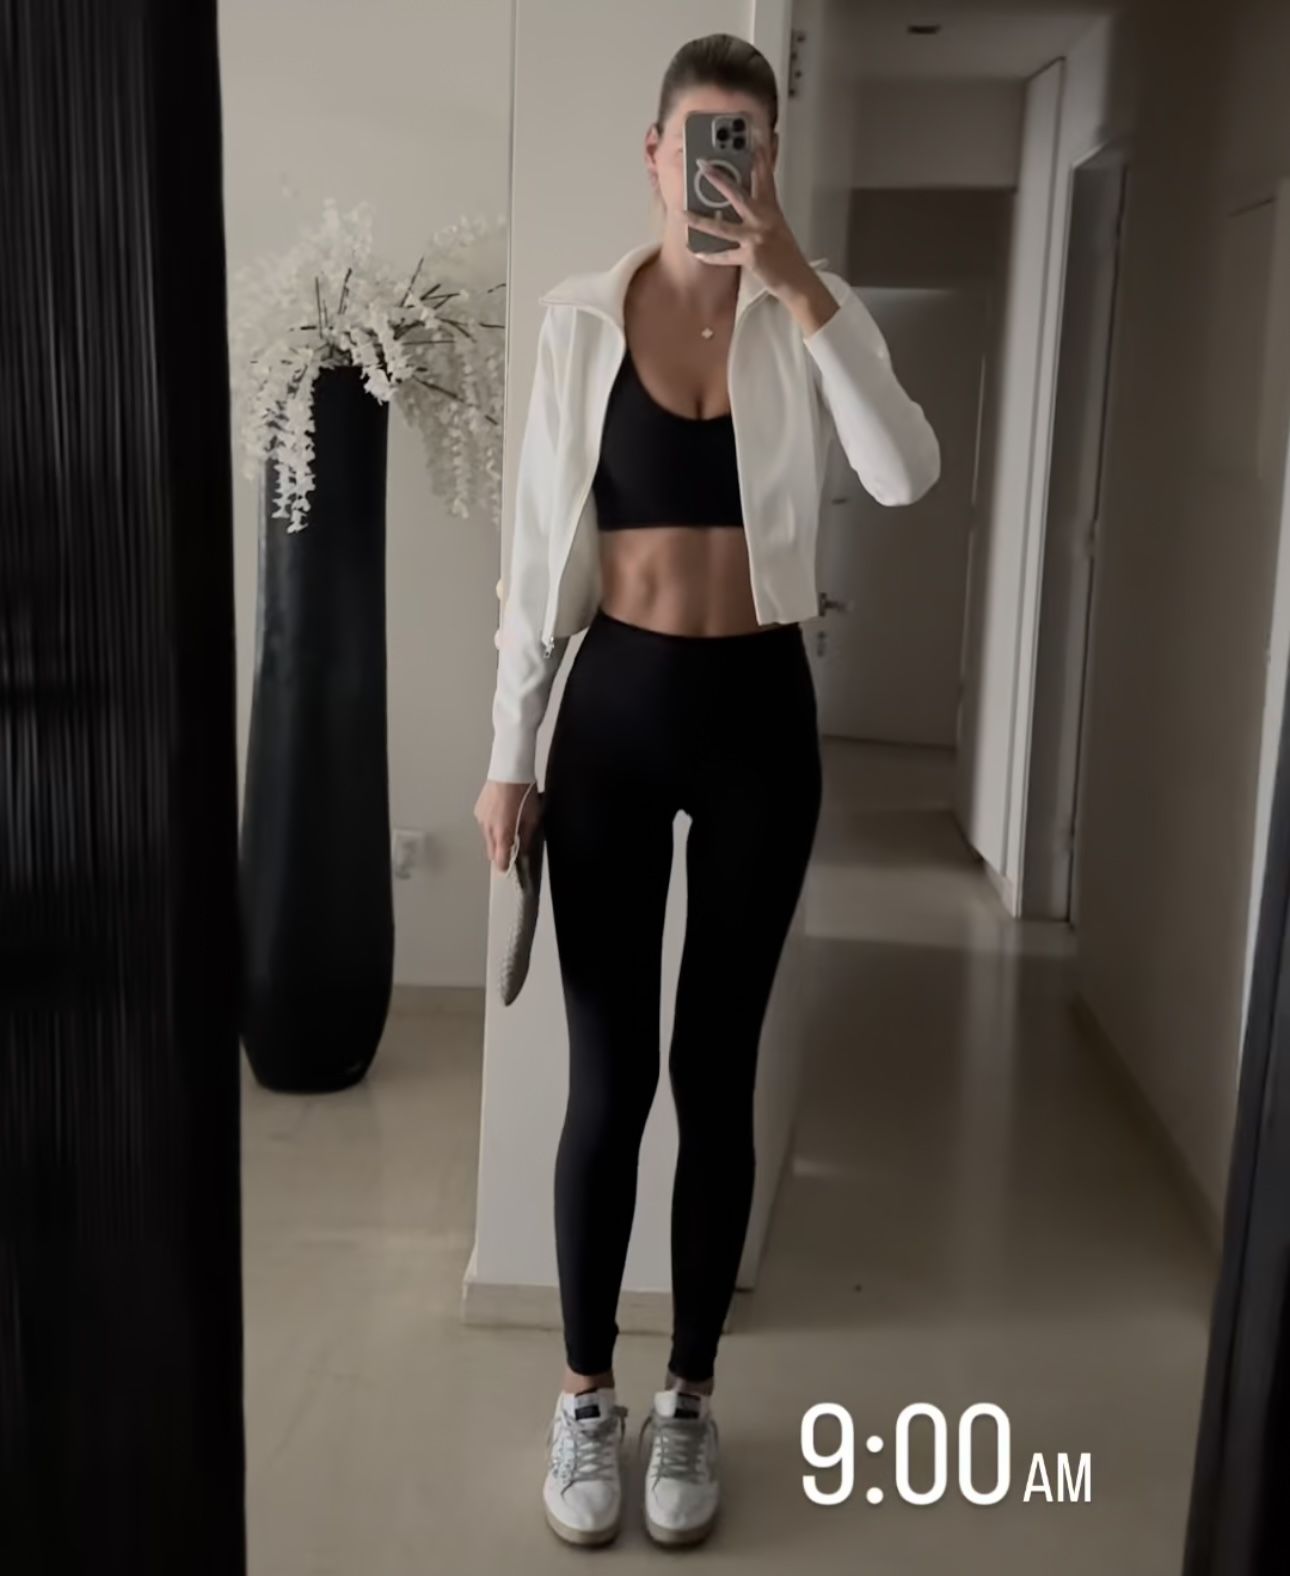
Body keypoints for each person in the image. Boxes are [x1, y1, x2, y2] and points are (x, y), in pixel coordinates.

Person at [473, 32, 939, 1550]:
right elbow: (531, 557)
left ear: (769, 158)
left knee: (714, 1072)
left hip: (757, 723)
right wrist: (508, 754)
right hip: (611, 714)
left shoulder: (810, 315)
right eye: (698, 140)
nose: (718, 166)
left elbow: (905, 473)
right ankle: (584, 1395)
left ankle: (687, 1397)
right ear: (655, 153)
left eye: (746, 140)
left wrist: (800, 286)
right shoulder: (577, 323)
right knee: (607, 1080)